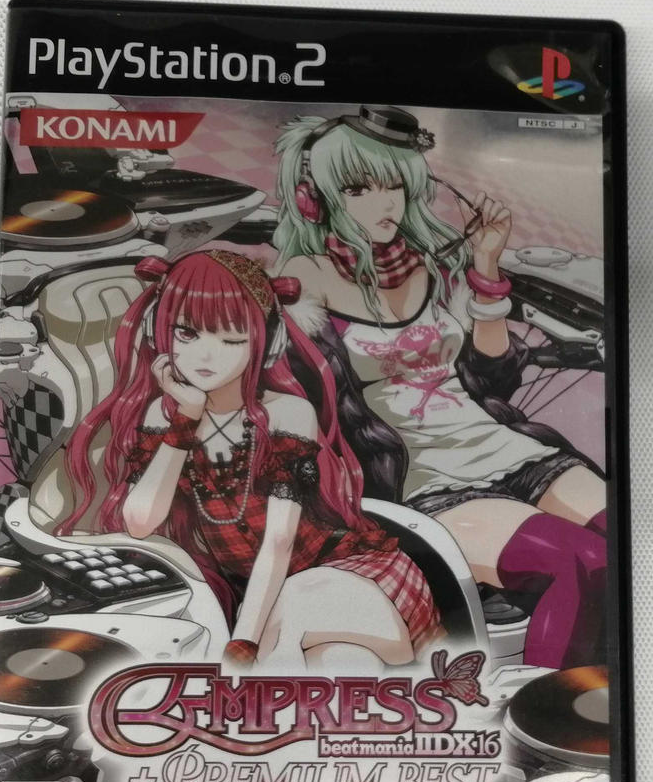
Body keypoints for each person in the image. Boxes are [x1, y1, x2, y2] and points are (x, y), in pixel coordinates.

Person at [273, 105, 606, 669]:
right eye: (358, 189)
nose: (384, 204)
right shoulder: (306, 279)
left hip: (513, 451)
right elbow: (296, 399)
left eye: (394, 186)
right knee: (578, 561)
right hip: (427, 484)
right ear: (314, 198)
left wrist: (486, 267)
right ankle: (540, 710)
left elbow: (495, 374)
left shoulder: (430, 265)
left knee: (625, 547)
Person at [56, 248, 440, 674]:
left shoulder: (287, 414)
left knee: (288, 640)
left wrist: (243, 644)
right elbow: (140, 521)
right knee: (339, 663)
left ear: (266, 343)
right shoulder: (164, 418)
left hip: (344, 578)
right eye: (187, 334)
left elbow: (279, 541)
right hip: (271, 603)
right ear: (159, 332)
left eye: (231, 340)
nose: (206, 357)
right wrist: (185, 420)